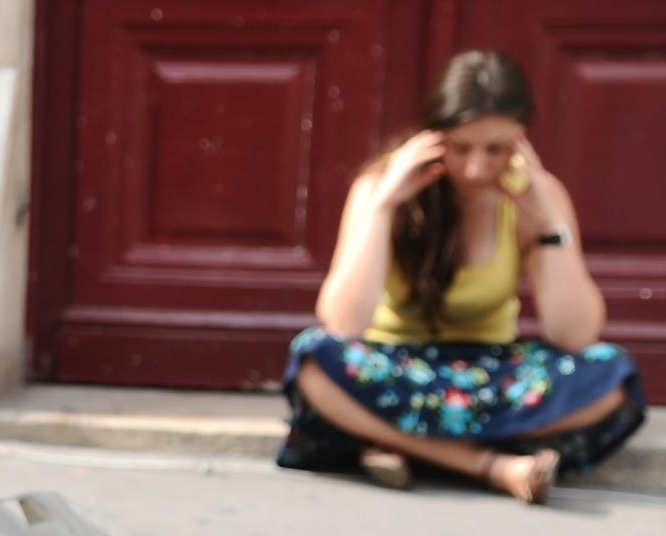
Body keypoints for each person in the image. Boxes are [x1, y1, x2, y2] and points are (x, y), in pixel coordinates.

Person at [276, 49, 645, 504]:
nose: (476, 168)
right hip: (393, 366)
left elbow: (574, 334)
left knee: (611, 374)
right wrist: (384, 207)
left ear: (522, 140)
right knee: (313, 359)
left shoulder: (535, 196)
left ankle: (397, 444)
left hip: (487, 371)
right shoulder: (381, 188)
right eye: (460, 147)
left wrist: (551, 226)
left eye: (496, 149)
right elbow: (344, 323)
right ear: (433, 136)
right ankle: (491, 464)